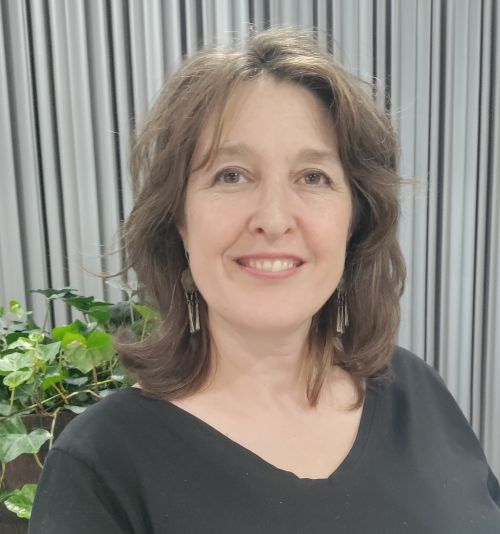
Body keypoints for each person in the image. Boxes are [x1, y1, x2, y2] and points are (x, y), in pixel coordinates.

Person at [28, 27, 500, 533]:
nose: (274, 219)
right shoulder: (104, 466)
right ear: (179, 221)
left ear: (354, 220)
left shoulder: (416, 391)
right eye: (231, 175)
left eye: (313, 177)